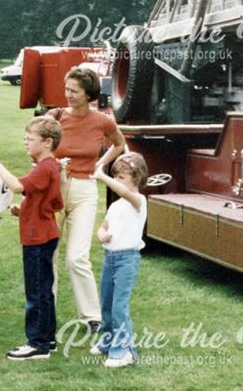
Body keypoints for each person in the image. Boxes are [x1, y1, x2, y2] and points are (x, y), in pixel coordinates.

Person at [0, 116, 64, 360]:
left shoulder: (45, 167)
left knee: (36, 292)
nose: (25, 142)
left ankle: (37, 343)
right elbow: (53, 202)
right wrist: (23, 210)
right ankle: (47, 339)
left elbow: (16, 187)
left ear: (47, 142)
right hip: (46, 233)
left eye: (30, 139)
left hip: (37, 240)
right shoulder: (51, 167)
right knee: (45, 291)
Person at [52, 67, 127, 332]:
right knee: (49, 253)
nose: (68, 95)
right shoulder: (54, 117)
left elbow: (120, 144)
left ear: (89, 94)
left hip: (85, 190)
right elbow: (35, 149)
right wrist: (53, 163)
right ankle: (46, 313)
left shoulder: (102, 121)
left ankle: (92, 317)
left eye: (74, 91)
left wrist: (101, 166)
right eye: (67, 89)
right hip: (55, 189)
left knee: (76, 257)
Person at [90, 153, 149, 368]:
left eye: (121, 177)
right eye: (115, 176)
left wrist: (103, 177)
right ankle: (108, 341)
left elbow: (124, 191)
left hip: (127, 260)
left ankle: (125, 351)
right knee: (106, 303)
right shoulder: (116, 206)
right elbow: (103, 227)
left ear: (138, 178)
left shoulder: (139, 201)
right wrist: (101, 234)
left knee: (119, 307)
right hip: (110, 259)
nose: (117, 181)